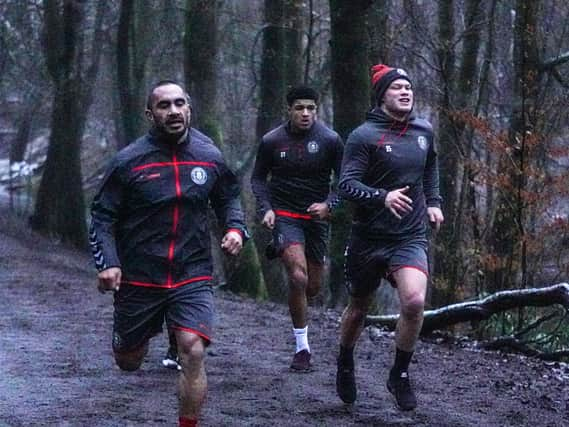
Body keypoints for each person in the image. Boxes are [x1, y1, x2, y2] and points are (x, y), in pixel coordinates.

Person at [89, 80, 248, 427]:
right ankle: (143, 333)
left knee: (192, 349)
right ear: (150, 114)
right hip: (141, 275)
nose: (174, 111)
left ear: (189, 109)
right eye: (164, 106)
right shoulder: (129, 161)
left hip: (191, 271)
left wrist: (235, 229)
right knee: (128, 360)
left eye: (180, 104)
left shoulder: (209, 156)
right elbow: (102, 217)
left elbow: (229, 198)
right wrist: (109, 263)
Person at [335, 64, 444, 410]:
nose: (405, 92)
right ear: (382, 95)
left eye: (408, 87)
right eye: (397, 87)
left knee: (413, 302)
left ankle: (399, 374)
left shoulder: (424, 131)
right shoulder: (364, 136)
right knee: (358, 309)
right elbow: (346, 185)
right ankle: (345, 360)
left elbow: (430, 167)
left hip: (409, 236)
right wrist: (382, 196)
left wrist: (435, 203)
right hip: (369, 236)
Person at [251, 86, 343, 371]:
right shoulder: (272, 141)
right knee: (298, 278)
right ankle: (302, 348)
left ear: (317, 109)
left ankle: (301, 316)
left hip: (316, 218)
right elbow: (257, 179)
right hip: (285, 214)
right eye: (299, 108)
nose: (305, 113)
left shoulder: (330, 140)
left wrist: (330, 204)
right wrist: (266, 209)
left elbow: (346, 180)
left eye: (310, 108)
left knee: (313, 286)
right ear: (288, 110)